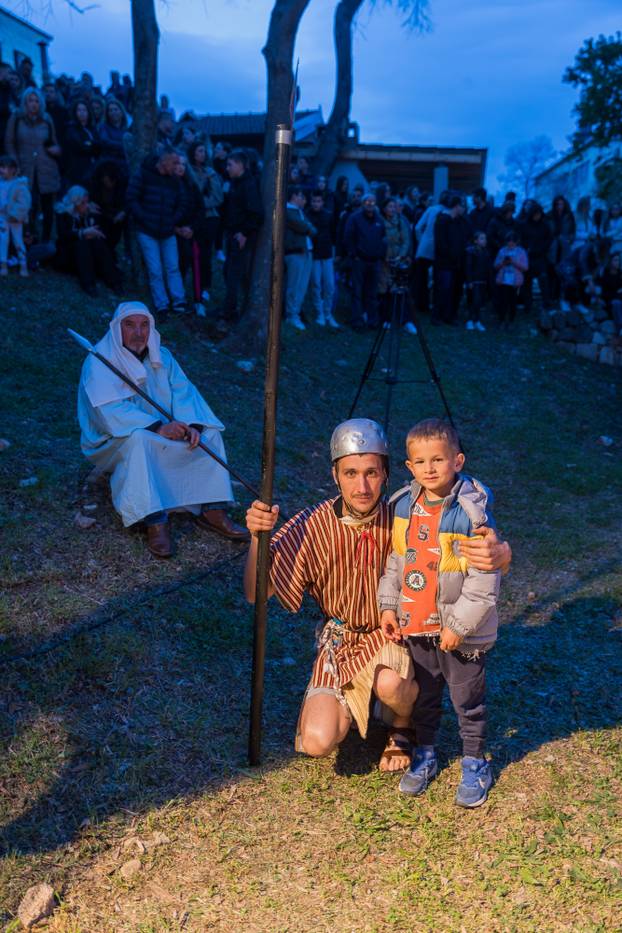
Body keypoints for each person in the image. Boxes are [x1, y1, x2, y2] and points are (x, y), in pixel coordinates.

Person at [244, 418, 511, 772]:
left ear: (386, 473)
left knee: (390, 682)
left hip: (394, 634)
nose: (362, 486)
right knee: (317, 740)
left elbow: (476, 556)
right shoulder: (312, 524)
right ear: (335, 475)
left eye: (372, 472)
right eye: (351, 473)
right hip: (340, 639)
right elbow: (255, 593)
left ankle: (402, 726)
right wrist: (255, 539)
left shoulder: (406, 514)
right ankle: (360, 706)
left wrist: (503, 555)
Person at [378, 418, 501, 807]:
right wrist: (388, 606)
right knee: (425, 696)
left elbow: (484, 580)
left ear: (458, 460)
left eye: (438, 459)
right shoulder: (402, 506)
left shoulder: (471, 513)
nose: (429, 468)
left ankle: (474, 761)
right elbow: (397, 561)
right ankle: (426, 753)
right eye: (420, 461)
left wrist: (459, 626)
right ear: (409, 466)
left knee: (467, 698)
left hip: (460, 632)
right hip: (417, 627)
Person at [78, 302, 249, 558]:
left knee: (209, 433)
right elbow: (107, 413)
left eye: (144, 325)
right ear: (116, 328)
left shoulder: (163, 358)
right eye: (130, 325)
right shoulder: (99, 362)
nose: (138, 332)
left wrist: (191, 425)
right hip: (112, 440)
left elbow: (184, 393)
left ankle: (212, 508)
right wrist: (159, 427)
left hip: (161, 430)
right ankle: (154, 519)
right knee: (139, 438)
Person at [126, 146, 188, 316]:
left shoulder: (175, 180)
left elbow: (183, 202)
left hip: (167, 231)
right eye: (174, 162)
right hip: (147, 231)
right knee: (155, 269)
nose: (177, 166)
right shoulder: (144, 174)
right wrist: (144, 218)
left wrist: (173, 219)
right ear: (164, 161)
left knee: (172, 267)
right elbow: (131, 197)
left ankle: (179, 301)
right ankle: (162, 304)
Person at [4, 87, 61, 243]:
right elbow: (9, 142)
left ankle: (46, 242)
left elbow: (54, 142)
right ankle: (29, 243)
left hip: (46, 169)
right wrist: (14, 163)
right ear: (25, 102)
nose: (34, 104)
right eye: (30, 100)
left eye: (37, 101)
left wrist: (55, 150)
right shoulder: (16, 118)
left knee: (48, 209)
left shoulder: (47, 119)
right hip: (24, 169)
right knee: (28, 208)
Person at [54, 185, 122, 297]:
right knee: (82, 244)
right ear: (75, 203)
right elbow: (63, 236)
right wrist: (83, 233)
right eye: (82, 203)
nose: (86, 206)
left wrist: (95, 218)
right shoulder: (64, 214)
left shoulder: (89, 213)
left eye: (87, 202)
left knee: (97, 243)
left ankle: (114, 282)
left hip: (89, 256)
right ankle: (88, 284)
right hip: (68, 256)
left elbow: (106, 229)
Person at [220, 149, 264, 324]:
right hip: (232, 234)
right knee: (229, 272)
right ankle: (231, 308)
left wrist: (244, 233)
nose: (227, 168)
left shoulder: (248, 185)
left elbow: (257, 214)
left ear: (240, 165)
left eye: (230, 164)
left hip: (240, 236)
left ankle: (230, 312)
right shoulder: (235, 183)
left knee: (234, 274)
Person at [187, 140, 224, 304]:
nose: (202, 154)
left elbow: (218, 197)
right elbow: (191, 196)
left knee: (206, 255)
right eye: (199, 151)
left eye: (204, 151)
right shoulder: (187, 171)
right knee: (192, 254)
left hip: (210, 218)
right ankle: (194, 288)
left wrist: (203, 205)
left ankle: (205, 287)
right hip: (193, 218)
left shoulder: (211, 172)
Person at [344, 193, 387, 331]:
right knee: (357, 292)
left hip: (374, 262)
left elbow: (383, 238)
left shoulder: (379, 220)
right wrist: (353, 254)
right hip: (359, 261)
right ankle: (357, 321)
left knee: (372, 293)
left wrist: (381, 254)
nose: (370, 204)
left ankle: (372, 321)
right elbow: (348, 236)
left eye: (373, 202)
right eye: (367, 202)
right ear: (363, 203)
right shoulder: (354, 218)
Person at [378, 196, 416, 334]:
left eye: (394, 206)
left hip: (399, 261)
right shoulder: (379, 222)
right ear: (384, 208)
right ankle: (386, 319)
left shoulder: (401, 222)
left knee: (400, 291)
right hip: (384, 262)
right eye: (390, 206)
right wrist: (386, 256)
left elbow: (406, 240)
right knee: (385, 291)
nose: (392, 209)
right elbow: (378, 240)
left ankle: (405, 320)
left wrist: (401, 256)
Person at [433, 193, 469, 325]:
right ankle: (437, 316)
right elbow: (441, 243)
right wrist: (450, 255)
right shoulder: (442, 220)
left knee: (453, 290)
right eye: (462, 206)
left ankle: (449, 315)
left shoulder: (459, 221)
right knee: (443, 289)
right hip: (444, 263)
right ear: (456, 206)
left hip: (456, 262)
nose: (464, 209)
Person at [284, 186, 315, 330]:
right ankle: (291, 315)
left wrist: (308, 227)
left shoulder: (299, 212)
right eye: (301, 196)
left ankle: (295, 313)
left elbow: (312, 229)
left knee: (302, 287)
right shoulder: (287, 211)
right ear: (294, 196)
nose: (304, 200)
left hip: (306, 252)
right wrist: (308, 227)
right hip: (295, 253)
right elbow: (304, 227)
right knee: (294, 286)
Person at [306, 189, 339, 328]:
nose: (316, 204)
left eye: (318, 201)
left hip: (327, 254)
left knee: (330, 285)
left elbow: (334, 233)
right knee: (316, 284)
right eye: (314, 201)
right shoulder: (306, 215)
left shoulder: (328, 215)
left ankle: (328, 313)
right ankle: (319, 313)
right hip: (313, 254)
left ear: (322, 202)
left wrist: (335, 251)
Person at [517, 202, 552, 312]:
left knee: (543, 280)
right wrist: (525, 249)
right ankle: (528, 304)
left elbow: (549, 240)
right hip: (527, 257)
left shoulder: (545, 225)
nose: (537, 216)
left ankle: (546, 303)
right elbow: (520, 239)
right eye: (535, 214)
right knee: (527, 282)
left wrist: (541, 249)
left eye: (539, 214)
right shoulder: (524, 225)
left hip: (540, 257)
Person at [0, 154, 31, 277]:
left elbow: (24, 203)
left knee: (18, 240)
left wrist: (15, 214)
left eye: (4, 167)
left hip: (15, 219)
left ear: (13, 169)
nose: (1, 170)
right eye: (0, 167)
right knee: (2, 240)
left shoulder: (20, 185)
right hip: (2, 218)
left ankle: (23, 264)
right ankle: (3, 265)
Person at [494, 231, 528, 327]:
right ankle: (502, 320)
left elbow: (525, 267)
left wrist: (513, 262)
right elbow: (495, 266)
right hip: (503, 280)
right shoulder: (502, 251)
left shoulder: (521, 252)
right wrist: (503, 263)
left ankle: (511, 320)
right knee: (503, 301)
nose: (510, 243)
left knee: (513, 302)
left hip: (515, 282)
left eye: (513, 241)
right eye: (509, 241)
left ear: (516, 242)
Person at [63, 98, 100, 187]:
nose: (82, 113)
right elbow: (80, 147)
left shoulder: (92, 129)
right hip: (77, 171)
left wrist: (91, 144)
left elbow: (99, 146)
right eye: (79, 110)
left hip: (93, 169)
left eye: (84, 110)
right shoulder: (71, 129)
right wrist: (92, 144)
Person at [464, 231, 491, 331]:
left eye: (485, 238)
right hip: (474, 281)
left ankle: (477, 320)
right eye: (482, 238)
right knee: (473, 300)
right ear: (475, 241)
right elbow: (468, 267)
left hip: (482, 281)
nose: (485, 241)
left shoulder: (486, 253)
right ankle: (470, 320)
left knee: (479, 301)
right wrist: (469, 281)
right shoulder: (470, 252)